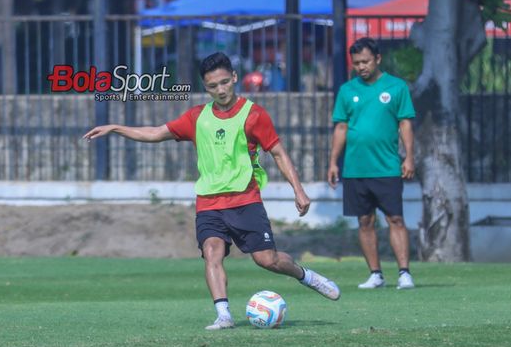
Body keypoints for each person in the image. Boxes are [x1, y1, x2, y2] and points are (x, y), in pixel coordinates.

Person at [84, 52, 340, 330]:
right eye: (212, 86)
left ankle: (306, 276)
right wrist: (115, 128)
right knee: (212, 252)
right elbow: (156, 133)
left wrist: (298, 190)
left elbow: (278, 152)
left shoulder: (253, 115)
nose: (220, 90)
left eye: (223, 83)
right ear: (205, 88)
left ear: (234, 78)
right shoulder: (197, 117)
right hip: (208, 202)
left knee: (268, 260)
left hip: (245, 200)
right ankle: (224, 315)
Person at [327, 37, 416, 290]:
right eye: (356, 63)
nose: (361, 67)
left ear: (378, 59)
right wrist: (333, 162)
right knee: (364, 221)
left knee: (395, 219)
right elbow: (341, 127)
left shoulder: (397, 87)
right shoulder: (347, 90)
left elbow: (405, 123)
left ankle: (404, 273)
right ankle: (375, 274)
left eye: (365, 61)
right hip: (355, 169)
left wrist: (409, 157)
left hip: (387, 166)